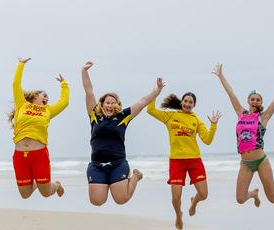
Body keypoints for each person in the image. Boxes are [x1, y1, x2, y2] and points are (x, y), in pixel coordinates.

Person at [212, 63, 274, 208]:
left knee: (273, 198)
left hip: (261, 161)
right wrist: (220, 76)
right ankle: (253, 194)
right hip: (245, 163)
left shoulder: (264, 117)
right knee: (240, 199)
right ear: (248, 100)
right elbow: (231, 93)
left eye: (258, 99)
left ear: (261, 102)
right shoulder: (240, 113)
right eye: (252, 99)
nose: (255, 101)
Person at [81, 61, 165, 205]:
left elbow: (143, 101)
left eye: (113, 102)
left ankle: (136, 176)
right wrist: (84, 71)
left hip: (117, 164)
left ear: (118, 105)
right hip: (97, 165)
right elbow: (89, 92)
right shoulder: (94, 115)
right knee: (97, 201)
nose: (109, 105)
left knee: (121, 200)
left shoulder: (123, 116)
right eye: (107, 102)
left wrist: (156, 91)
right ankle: (108, 183)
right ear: (102, 104)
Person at [147, 90, 221, 230]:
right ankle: (178, 215)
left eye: (190, 102)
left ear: (194, 105)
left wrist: (213, 125)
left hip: (194, 160)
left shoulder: (196, 121)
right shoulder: (171, 116)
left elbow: (207, 141)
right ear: (182, 102)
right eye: (185, 101)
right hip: (176, 161)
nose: (187, 104)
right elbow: (150, 110)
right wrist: (156, 91)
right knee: (176, 198)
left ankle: (194, 203)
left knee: (204, 195)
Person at [9, 57, 68, 199]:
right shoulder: (22, 105)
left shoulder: (48, 110)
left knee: (46, 193)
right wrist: (21, 64)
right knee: (25, 194)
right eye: (44, 95)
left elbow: (64, 102)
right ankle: (37, 181)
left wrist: (64, 85)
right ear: (35, 96)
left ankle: (57, 185)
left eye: (48, 98)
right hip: (20, 156)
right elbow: (16, 84)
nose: (47, 98)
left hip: (39, 154)